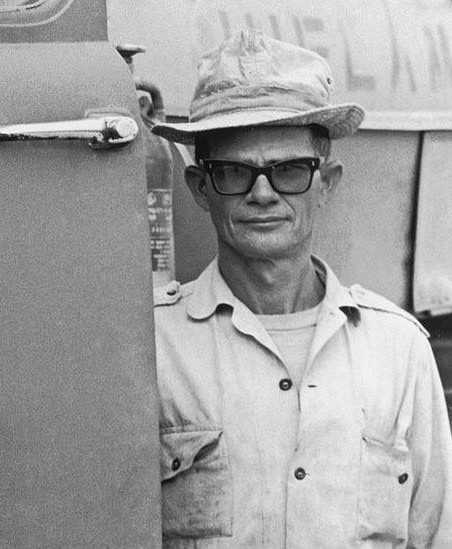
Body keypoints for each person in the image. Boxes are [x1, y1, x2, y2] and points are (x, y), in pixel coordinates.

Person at [150, 30, 452, 547]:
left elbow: (435, 531)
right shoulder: (152, 345)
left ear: (327, 182)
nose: (262, 193)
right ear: (201, 188)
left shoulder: (398, 348)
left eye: (289, 170)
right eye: (234, 173)